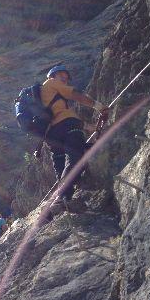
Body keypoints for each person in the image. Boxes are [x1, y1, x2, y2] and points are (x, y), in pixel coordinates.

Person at [41, 65, 106, 204]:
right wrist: (99, 106)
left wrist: (89, 127)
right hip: (67, 126)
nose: (65, 80)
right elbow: (75, 95)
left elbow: (62, 115)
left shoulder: (43, 94)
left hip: (51, 133)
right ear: (53, 76)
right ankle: (62, 196)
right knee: (75, 156)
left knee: (60, 164)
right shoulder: (52, 83)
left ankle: (63, 199)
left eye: (66, 78)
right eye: (62, 76)